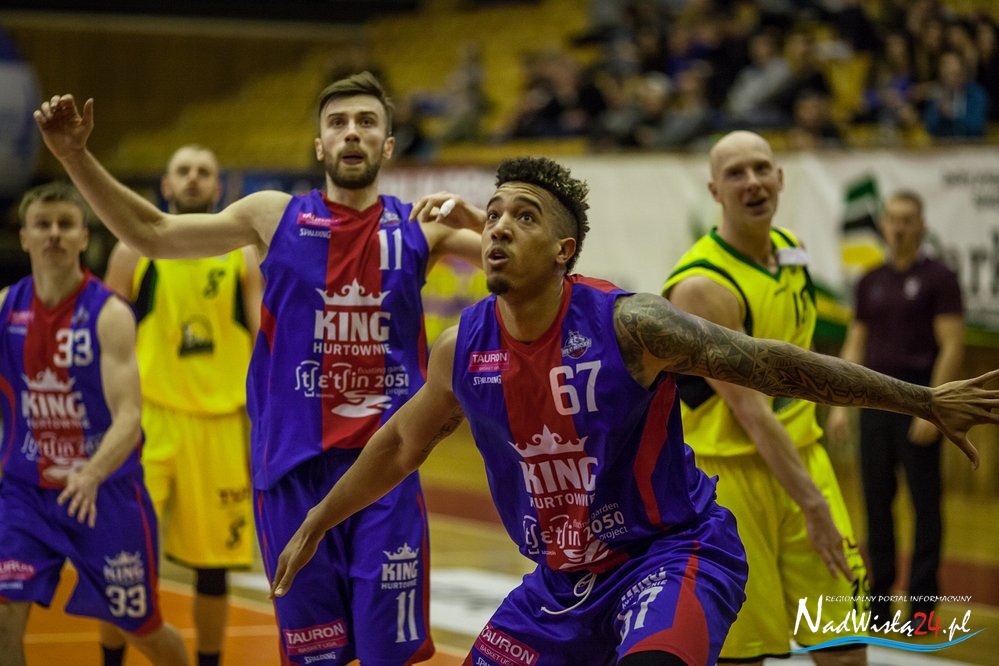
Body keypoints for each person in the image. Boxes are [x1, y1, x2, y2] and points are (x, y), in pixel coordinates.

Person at [268, 155, 999, 665]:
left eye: (522, 217)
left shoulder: (630, 326)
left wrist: (922, 399)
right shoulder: (460, 349)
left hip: (670, 553)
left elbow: (777, 364)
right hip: (560, 582)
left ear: (563, 250)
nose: (496, 228)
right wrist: (317, 519)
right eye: (491, 216)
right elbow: (400, 446)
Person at [33, 71, 484, 666]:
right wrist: (75, 156)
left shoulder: (424, 228)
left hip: (385, 474)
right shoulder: (274, 216)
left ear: (389, 144)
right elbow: (154, 232)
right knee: (314, 656)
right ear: (320, 145)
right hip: (292, 477)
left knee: (387, 657)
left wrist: (480, 221)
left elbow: (544, 267)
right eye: (338, 123)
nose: (352, 133)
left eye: (367, 122)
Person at [661, 130, 867, 664]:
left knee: (845, 645)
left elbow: (803, 358)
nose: (752, 182)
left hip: (804, 458)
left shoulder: (792, 251)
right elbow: (749, 410)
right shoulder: (701, 285)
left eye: (760, 168)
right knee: (744, 654)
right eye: (735, 173)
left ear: (780, 177)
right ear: (715, 190)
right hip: (730, 483)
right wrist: (813, 503)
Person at [0, 182, 188, 666]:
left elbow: (129, 417)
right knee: (3, 616)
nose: (54, 234)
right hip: (26, 493)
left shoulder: (108, 313)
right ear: (24, 237)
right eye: (43, 224)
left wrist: (91, 472)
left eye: (66, 224)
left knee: (143, 630)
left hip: (105, 493)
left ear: (84, 237)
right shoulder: (6, 308)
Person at [99, 145, 262, 666]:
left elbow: (266, 338)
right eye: (183, 171)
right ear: (166, 186)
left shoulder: (242, 257)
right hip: (146, 421)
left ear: (220, 188)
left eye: (204, 172)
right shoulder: (132, 252)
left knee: (213, 567)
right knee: (122, 555)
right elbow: (103, 339)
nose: (193, 178)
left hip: (219, 425)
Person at [826, 189, 964, 625]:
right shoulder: (870, 280)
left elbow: (952, 345)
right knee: (875, 505)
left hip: (918, 399)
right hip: (874, 404)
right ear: (883, 225)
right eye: (892, 219)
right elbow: (856, 343)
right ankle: (880, 605)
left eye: (908, 219)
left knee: (925, 505)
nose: (899, 227)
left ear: (921, 227)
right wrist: (838, 405)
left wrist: (934, 406)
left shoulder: (940, 277)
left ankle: (922, 608)